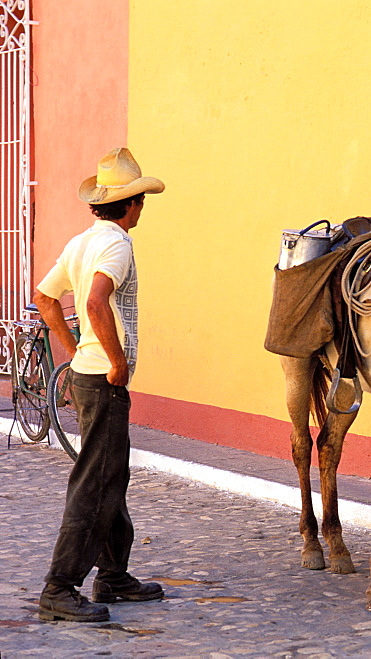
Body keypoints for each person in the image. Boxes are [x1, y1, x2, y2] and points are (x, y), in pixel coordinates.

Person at [34, 148, 165, 622]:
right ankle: (60, 587)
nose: (142, 207)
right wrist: (114, 360)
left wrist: (73, 353)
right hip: (103, 380)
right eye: (141, 200)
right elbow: (94, 302)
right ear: (130, 205)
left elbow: (45, 299)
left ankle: (113, 575)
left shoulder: (81, 242)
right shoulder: (117, 245)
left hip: (88, 375)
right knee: (94, 483)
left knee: (111, 475)